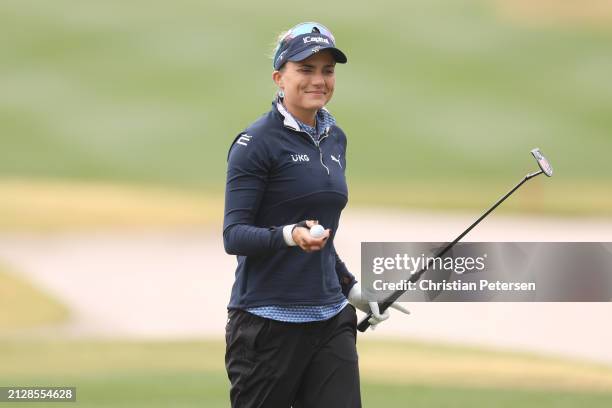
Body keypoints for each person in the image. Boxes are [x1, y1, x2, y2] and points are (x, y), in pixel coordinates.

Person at [222, 21, 408, 408]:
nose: (319, 80)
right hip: (267, 323)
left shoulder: (334, 138)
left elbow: (322, 235)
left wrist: (351, 288)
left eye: (327, 70)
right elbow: (234, 235)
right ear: (279, 77)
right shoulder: (255, 144)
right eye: (306, 69)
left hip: (330, 321)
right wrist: (289, 235)